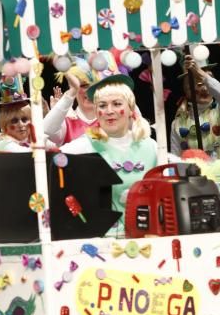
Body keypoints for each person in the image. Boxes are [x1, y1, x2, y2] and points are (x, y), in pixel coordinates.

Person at [59, 61, 158, 238]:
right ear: (97, 112)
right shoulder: (86, 145)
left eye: (117, 104)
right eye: (102, 106)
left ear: (130, 109)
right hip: (105, 243)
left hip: (147, 238)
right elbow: (48, 158)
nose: (109, 111)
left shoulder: (150, 147)